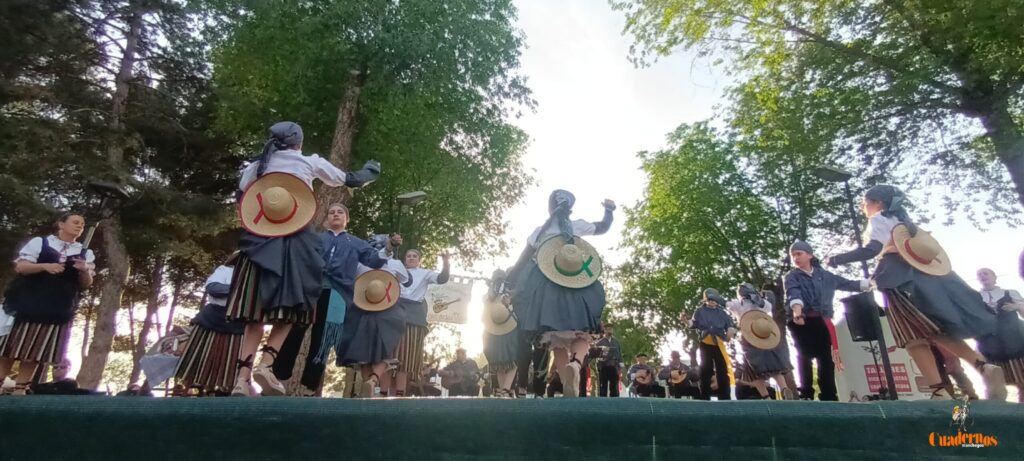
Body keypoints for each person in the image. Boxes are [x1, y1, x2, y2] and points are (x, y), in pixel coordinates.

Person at [228, 121, 380, 397]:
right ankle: (267, 364)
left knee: (254, 314)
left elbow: (242, 197)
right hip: (294, 243)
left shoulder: (255, 167)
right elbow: (350, 179)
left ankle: (241, 378)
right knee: (296, 306)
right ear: (299, 142)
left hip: (257, 244)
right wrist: (371, 171)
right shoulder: (308, 162)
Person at [825, 185, 1006, 400]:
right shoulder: (906, 224)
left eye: (866, 202)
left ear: (878, 203)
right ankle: (983, 366)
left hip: (897, 280)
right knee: (939, 330)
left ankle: (938, 389)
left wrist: (837, 259)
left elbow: (872, 249)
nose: (864, 207)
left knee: (911, 337)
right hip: (925, 278)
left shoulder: (879, 219)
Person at [271, 204, 398, 396]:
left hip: (337, 293)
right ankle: (277, 376)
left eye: (340, 212)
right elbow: (299, 257)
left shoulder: (356, 242)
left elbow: (374, 260)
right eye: (332, 212)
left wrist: (389, 247)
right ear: (326, 219)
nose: (335, 214)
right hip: (310, 289)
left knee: (323, 339)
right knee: (294, 329)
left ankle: (309, 387)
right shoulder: (316, 238)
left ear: (347, 218)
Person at [508, 190, 615, 398]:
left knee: (555, 340)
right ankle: (575, 364)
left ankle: (566, 380)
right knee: (583, 332)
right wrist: (609, 211)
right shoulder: (577, 226)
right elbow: (602, 227)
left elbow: (521, 261)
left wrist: (508, 282)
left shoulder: (539, 231)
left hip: (546, 292)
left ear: (550, 208)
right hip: (578, 286)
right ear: (570, 208)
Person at [0, 212, 94, 395]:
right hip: (27, 302)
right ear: (61, 224)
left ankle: (21, 388)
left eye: (82, 225)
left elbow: (86, 284)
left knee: (36, 350)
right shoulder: (40, 243)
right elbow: (21, 267)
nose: (79, 227)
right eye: (75, 222)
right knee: (11, 347)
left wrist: (84, 271)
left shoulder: (84, 252)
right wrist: (45, 266)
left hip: (57, 307)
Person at [784, 241, 868, 401]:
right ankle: (806, 394)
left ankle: (829, 394)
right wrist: (797, 313)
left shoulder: (826, 276)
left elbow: (848, 284)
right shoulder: (792, 276)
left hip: (822, 320)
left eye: (799, 254)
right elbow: (793, 294)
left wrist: (871, 283)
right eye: (793, 255)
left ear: (809, 255)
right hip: (802, 319)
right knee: (804, 355)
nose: (795, 258)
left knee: (825, 358)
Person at [174, 255, 245, 396]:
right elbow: (213, 288)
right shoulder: (225, 270)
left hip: (237, 324)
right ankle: (188, 391)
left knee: (231, 366)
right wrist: (241, 289)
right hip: (210, 320)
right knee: (197, 360)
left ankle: (227, 393)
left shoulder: (256, 279)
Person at [394, 248, 450, 396]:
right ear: (405, 259)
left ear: (419, 260)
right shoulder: (396, 272)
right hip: (395, 312)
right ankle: (383, 393)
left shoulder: (425, 273)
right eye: (408, 256)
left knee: (406, 357)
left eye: (414, 256)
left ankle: (400, 394)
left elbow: (443, 279)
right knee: (391, 355)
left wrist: (446, 263)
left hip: (414, 315)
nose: (411, 258)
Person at [727, 283, 796, 400]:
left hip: (749, 337)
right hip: (765, 336)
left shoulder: (739, 304)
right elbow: (769, 306)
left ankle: (766, 397)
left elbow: (727, 304)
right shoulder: (764, 303)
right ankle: (784, 388)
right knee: (775, 367)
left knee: (753, 372)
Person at [975, 267, 1024, 402]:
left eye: (986, 273)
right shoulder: (975, 297)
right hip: (989, 345)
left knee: (1022, 382)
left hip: (1015, 343)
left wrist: (1017, 307)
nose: (983, 276)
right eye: (980, 274)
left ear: (994, 276)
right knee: (995, 387)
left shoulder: (1010, 293)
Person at [682, 289, 735, 400]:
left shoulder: (722, 312)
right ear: (705, 300)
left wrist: (730, 331)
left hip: (719, 343)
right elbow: (693, 323)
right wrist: (686, 321)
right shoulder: (700, 311)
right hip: (706, 342)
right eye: (710, 299)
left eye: (714, 300)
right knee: (706, 369)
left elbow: (729, 324)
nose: (712, 302)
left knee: (722, 369)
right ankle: (704, 396)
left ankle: (725, 396)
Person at [482, 269, 520, 398]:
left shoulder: (490, 292)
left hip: (495, 328)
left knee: (500, 361)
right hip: (507, 326)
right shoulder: (509, 289)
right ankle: (505, 389)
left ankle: (504, 390)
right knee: (510, 360)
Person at [594, 324, 624, 397]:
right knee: (603, 386)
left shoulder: (616, 342)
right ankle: (602, 403)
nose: (610, 330)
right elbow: (596, 356)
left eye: (611, 329)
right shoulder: (599, 342)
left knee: (614, 387)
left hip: (614, 367)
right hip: (603, 367)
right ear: (604, 330)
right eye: (608, 329)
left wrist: (621, 366)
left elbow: (619, 354)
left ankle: (614, 403)